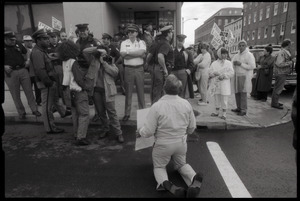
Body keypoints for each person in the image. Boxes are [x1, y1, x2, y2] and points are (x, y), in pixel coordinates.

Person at [137, 74, 203, 198]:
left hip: (163, 144)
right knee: (181, 164)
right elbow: (192, 127)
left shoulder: (157, 106)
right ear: (179, 89)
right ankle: (193, 178)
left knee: (159, 166)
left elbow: (148, 131)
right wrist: (186, 133)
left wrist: (140, 131)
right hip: (181, 143)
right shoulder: (186, 104)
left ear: (164, 88)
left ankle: (166, 184)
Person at [83, 45, 125, 143]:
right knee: (101, 113)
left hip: (108, 91)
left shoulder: (109, 61)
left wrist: (104, 63)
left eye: (105, 53)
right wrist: (97, 49)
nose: (104, 55)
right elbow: (85, 51)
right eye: (102, 54)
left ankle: (119, 133)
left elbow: (115, 73)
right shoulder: (93, 60)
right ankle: (105, 129)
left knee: (112, 113)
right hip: (96, 91)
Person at [30, 29, 66, 134]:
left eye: (47, 38)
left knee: (51, 103)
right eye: (45, 39)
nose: (47, 41)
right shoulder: (37, 52)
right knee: (47, 107)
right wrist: (48, 82)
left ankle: (59, 117)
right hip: (46, 83)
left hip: (49, 81)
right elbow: (40, 70)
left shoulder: (41, 51)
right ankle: (50, 128)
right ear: (38, 40)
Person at [57, 40, 91, 146]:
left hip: (68, 91)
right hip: (77, 91)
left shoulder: (64, 61)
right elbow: (78, 78)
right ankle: (81, 137)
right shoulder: (73, 62)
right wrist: (86, 87)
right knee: (84, 114)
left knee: (75, 114)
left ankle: (76, 134)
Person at [4, 31, 41, 119]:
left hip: (23, 69)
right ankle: (21, 112)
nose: (13, 41)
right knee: (15, 94)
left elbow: (26, 51)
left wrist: (28, 60)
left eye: (14, 39)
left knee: (29, 91)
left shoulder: (18, 44)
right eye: (11, 40)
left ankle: (34, 109)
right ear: (5, 39)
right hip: (10, 72)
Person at [120, 23, 147, 121]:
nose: (130, 33)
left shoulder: (141, 42)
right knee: (128, 92)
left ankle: (143, 112)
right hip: (128, 69)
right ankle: (127, 113)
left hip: (139, 68)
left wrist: (128, 53)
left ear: (136, 33)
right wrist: (137, 54)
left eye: (132, 32)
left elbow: (142, 53)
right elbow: (123, 55)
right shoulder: (124, 43)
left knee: (141, 91)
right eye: (129, 32)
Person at [75, 23, 101, 106]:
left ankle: (98, 112)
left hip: (92, 68)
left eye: (84, 31)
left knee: (94, 88)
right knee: (84, 87)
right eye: (80, 31)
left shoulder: (94, 41)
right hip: (81, 68)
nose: (82, 33)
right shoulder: (77, 42)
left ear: (88, 31)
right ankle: (87, 102)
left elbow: (101, 52)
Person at [47, 30, 72, 116]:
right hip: (51, 68)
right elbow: (47, 58)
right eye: (51, 37)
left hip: (61, 67)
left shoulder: (61, 46)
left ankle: (67, 105)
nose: (54, 39)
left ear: (57, 38)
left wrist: (53, 56)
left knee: (63, 86)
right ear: (49, 39)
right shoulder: (47, 47)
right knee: (55, 88)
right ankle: (56, 106)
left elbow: (63, 56)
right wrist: (55, 56)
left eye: (55, 37)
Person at [150, 25, 174, 105]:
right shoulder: (165, 44)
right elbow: (160, 56)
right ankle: (156, 111)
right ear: (168, 34)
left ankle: (156, 109)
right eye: (171, 32)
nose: (172, 34)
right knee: (159, 91)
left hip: (158, 69)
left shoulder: (160, 42)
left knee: (158, 91)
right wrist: (165, 69)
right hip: (161, 70)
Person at [231, 40, 256, 116]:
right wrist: (233, 64)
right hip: (236, 76)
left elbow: (252, 66)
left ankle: (243, 109)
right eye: (240, 45)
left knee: (243, 93)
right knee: (237, 92)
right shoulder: (236, 55)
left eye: (243, 45)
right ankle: (238, 107)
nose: (241, 47)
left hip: (244, 76)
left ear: (246, 46)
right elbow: (231, 63)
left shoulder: (249, 55)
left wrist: (241, 64)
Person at [208, 47, 234, 120]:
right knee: (217, 98)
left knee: (224, 99)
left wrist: (224, 76)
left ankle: (224, 114)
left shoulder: (228, 63)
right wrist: (214, 73)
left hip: (225, 84)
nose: (225, 55)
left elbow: (231, 73)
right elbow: (209, 72)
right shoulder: (214, 63)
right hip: (216, 84)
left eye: (226, 54)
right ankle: (216, 112)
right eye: (223, 54)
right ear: (219, 54)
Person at [271, 39, 296, 109]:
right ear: (288, 45)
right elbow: (279, 64)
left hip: (281, 72)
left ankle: (275, 102)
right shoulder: (282, 53)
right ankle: (275, 103)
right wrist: (291, 62)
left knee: (277, 88)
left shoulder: (284, 52)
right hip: (281, 73)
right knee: (278, 88)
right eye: (290, 44)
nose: (291, 46)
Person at [172, 34, 195, 99]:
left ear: (184, 41)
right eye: (179, 41)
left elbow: (191, 63)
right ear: (177, 41)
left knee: (182, 91)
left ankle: (181, 106)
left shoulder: (187, 52)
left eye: (182, 41)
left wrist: (189, 70)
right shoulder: (172, 51)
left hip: (183, 72)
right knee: (174, 90)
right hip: (173, 73)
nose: (180, 42)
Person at [23, 34, 41, 106]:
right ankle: (31, 102)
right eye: (27, 41)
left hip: (35, 72)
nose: (29, 42)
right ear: (24, 42)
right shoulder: (22, 50)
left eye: (30, 41)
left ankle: (38, 101)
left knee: (38, 88)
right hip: (27, 72)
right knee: (28, 88)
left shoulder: (35, 49)